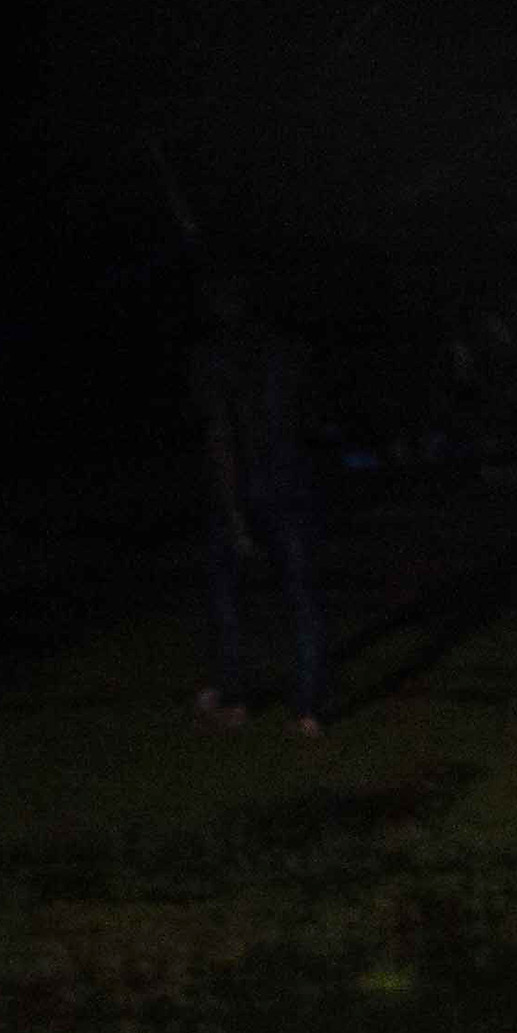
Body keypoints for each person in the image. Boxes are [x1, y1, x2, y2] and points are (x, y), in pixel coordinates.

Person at [190, 266, 332, 737]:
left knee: (230, 595)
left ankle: (235, 698)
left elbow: (221, 435)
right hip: (291, 482)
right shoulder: (290, 352)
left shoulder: (216, 357)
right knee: (300, 594)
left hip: (254, 484)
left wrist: (234, 514)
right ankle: (307, 708)